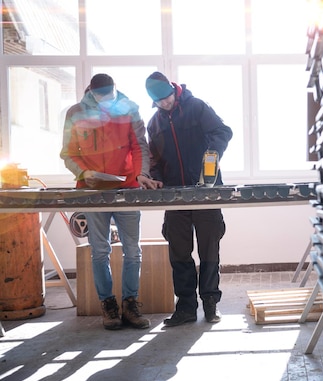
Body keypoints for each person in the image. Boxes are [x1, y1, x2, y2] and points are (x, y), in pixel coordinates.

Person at [61, 73, 162, 330]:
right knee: (100, 251)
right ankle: (108, 306)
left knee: (132, 250)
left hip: (127, 187)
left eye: (109, 96)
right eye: (100, 97)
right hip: (93, 191)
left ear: (115, 90)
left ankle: (131, 305)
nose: (105, 101)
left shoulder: (129, 109)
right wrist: (84, 173)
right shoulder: (75, 113)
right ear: (91, 93)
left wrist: (142, 174)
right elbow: (69, 152)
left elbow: (140, 145)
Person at [145, 71, 233, 327]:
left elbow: (223, 131)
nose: (165, 103)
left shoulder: (197, 108)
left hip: (206, 190)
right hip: (175, 196)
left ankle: (210, 304)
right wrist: (157, 176)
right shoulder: (155, 124)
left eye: (167, 98)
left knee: (209, 250)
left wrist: (212, 154)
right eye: (159, 101)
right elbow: (154, 159)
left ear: (174, 90)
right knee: (179, 253)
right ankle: (185, 308)